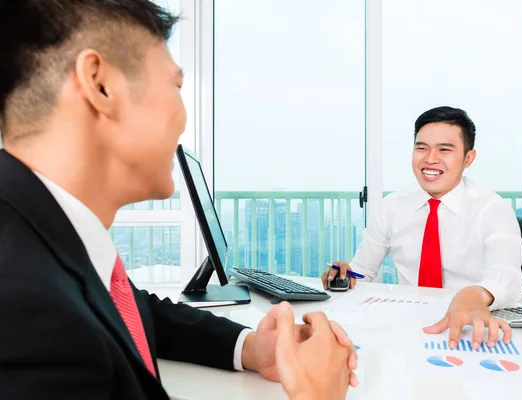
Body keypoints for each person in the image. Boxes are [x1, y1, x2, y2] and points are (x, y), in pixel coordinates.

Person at [0, 1, 357, 399]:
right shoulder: (24, 309)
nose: (183, 116)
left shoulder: (37, 233)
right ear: (100, 84)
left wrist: (252, 349)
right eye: (175, 86)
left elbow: (134, 311)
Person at [322, 106, 522, 351]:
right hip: (407, 328)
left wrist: (476, 294)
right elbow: (363, 271)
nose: (430, 158)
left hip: (469, 328)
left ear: (468, 158)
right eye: (421, 148)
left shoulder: (492, 209)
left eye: (444, 149)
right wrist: (347, 274)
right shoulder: (392, 206)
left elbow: (509, 278)